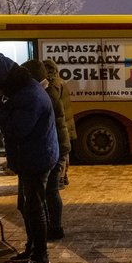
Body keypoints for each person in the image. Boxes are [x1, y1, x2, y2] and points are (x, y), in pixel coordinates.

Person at [0, 53, 57, 263]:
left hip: (37, 159)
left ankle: (40, 257)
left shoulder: (29, 96)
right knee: (25, 206)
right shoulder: (24, 90)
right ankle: (32, 249)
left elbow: (17, 129)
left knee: (34, 208)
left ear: (4, 81)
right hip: (31, 158)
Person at [23, 59, 66, 240]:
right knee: (51, 190)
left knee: (50, 191)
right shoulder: (49, 90)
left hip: (51, 147)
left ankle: (53, 228)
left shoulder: (44, 93)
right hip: (56, 145)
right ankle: (55, 227)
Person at [43, 59, 76, 188]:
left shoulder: (53, 84)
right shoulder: (61, 81)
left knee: (60, 152)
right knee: (64, 150)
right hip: (66, 121)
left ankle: (60, 178)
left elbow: (52, 104)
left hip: (60, 122)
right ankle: (65, 176)